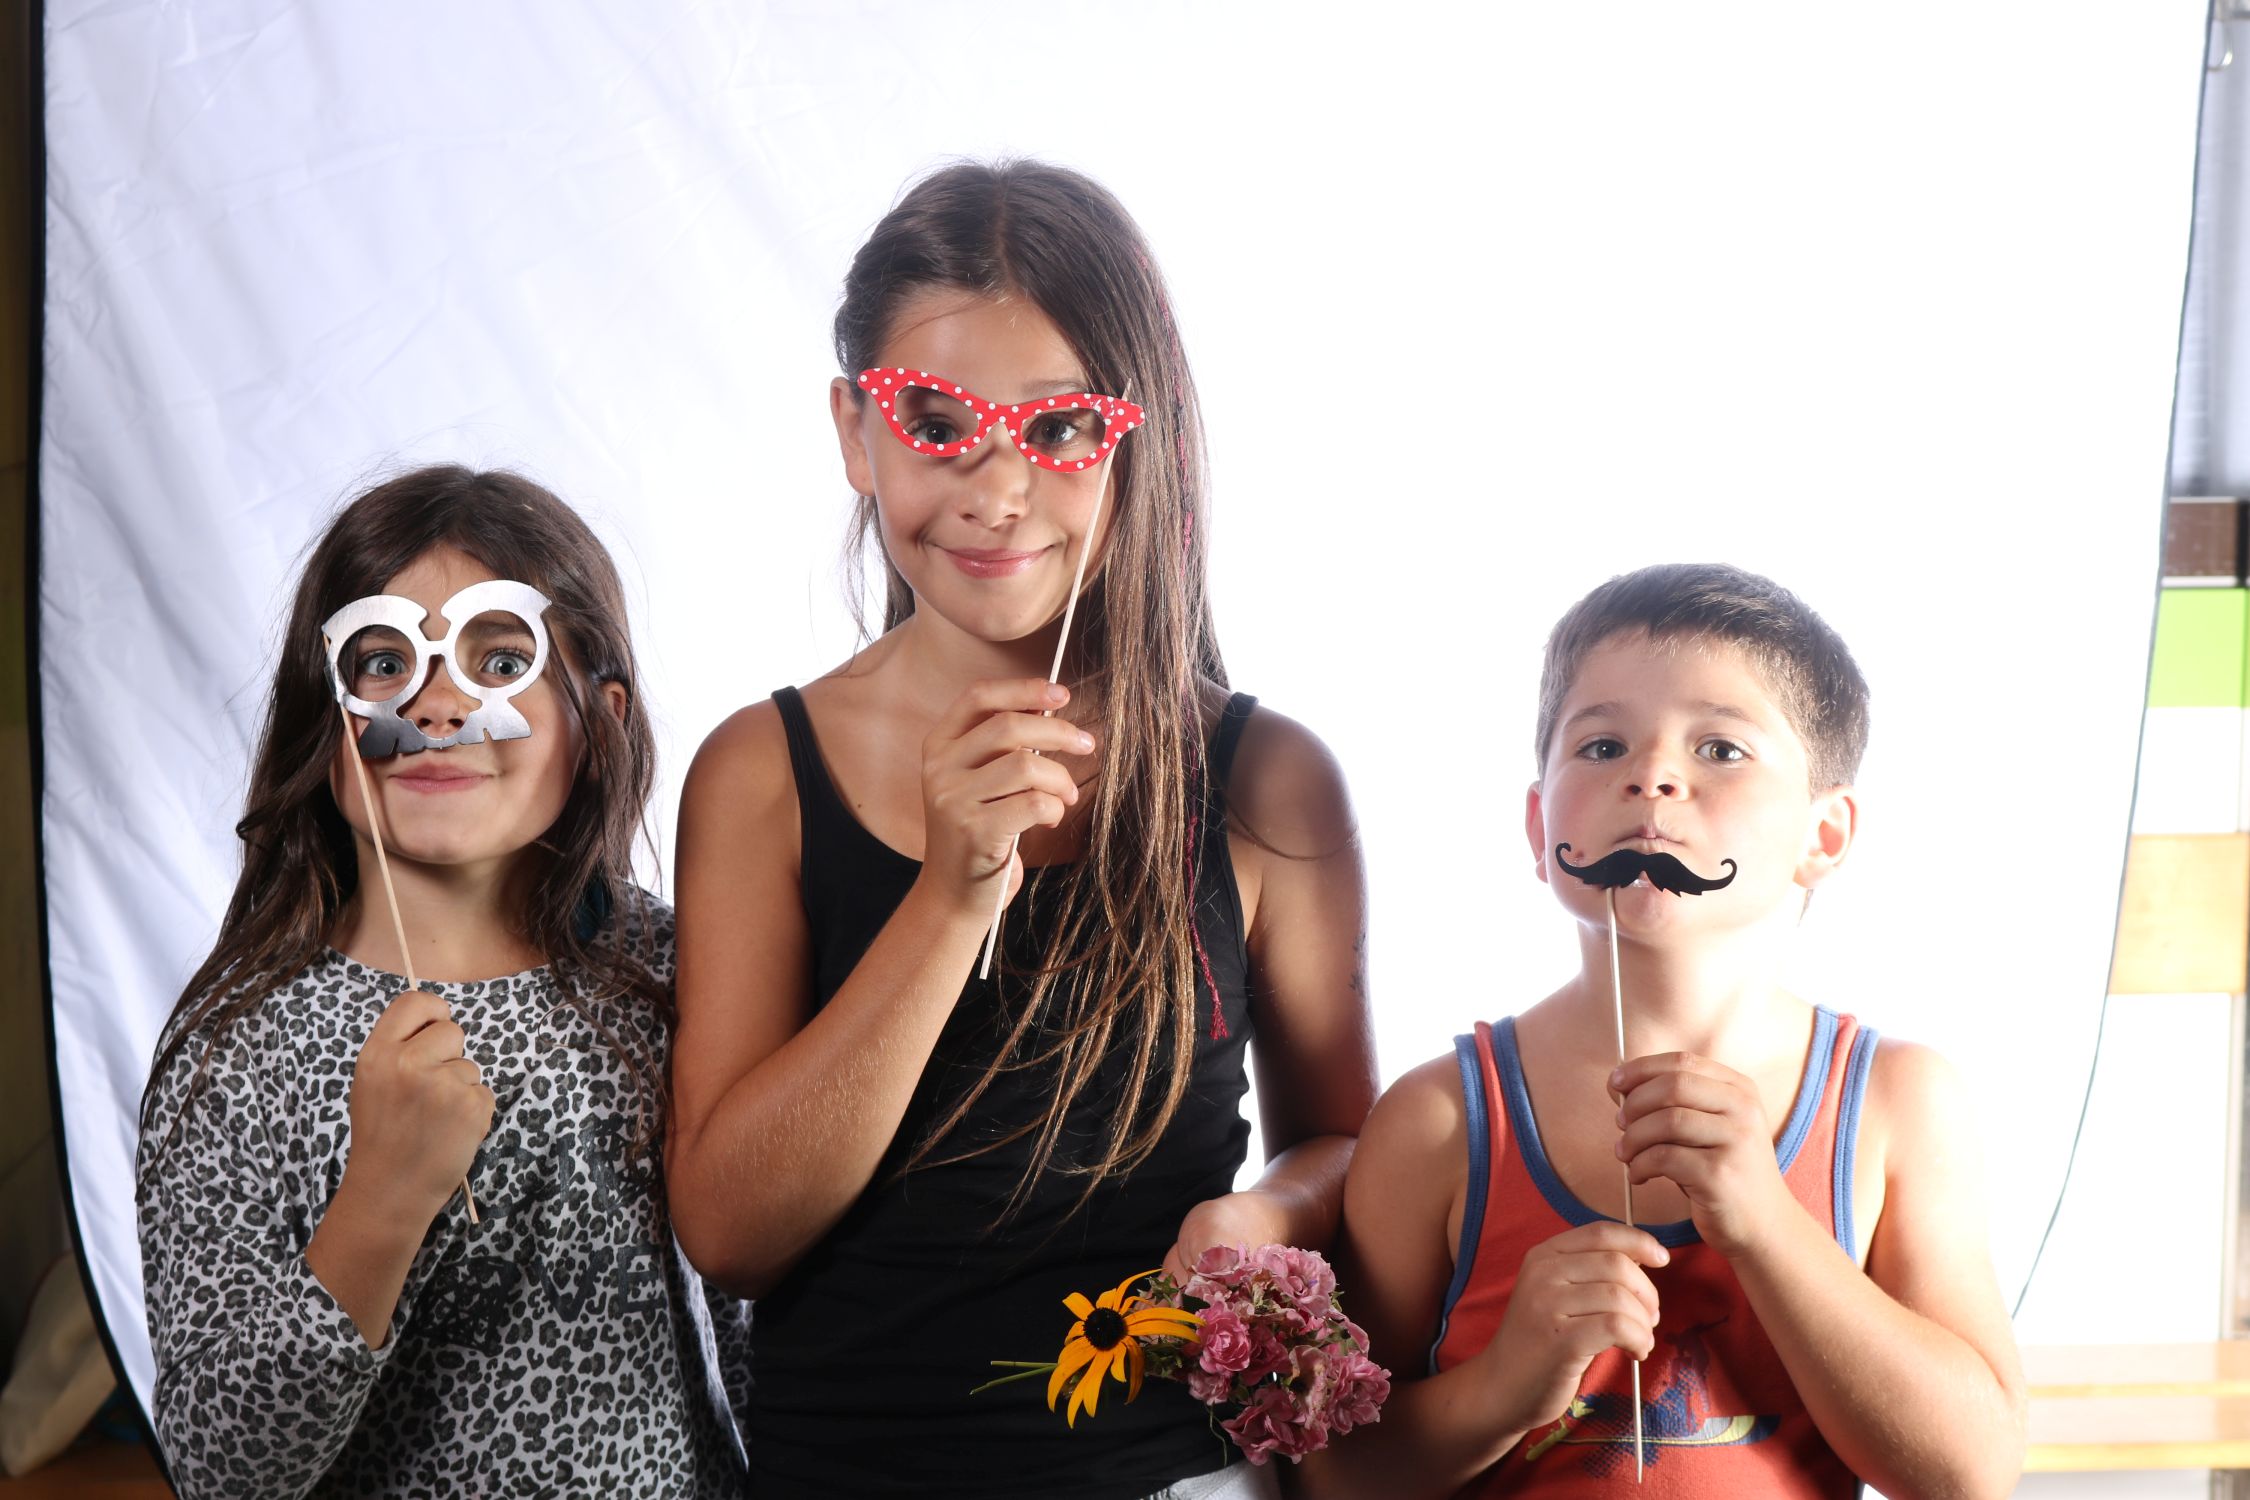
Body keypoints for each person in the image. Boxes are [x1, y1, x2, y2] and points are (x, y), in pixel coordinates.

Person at [666, 159, 1379, 1500]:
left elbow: (1345, 1147)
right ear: (854, 432)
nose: (997, 494)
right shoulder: (761, 773)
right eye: (936, 422)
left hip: (1170, 1478)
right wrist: (950, 896)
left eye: (1059, 428)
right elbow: (732, 1234)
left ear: (1138, 441)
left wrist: (1266, 1209)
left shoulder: (1266, 779)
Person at [1306, 564, 2024, 1498]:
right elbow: (1330, 1477)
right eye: (1602, 746)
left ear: (1825, 835)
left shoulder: (1898, 1104)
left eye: (1721, 748)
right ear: (1539, 824)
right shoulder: (1438, 1120)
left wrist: (1766, 1222)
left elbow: (1972, 1473)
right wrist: (1504, 1386)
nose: (1651, 776)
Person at [136, 465, 749, 1499]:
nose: (438, 703)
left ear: (597, 720)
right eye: (384, 661)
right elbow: (220, 1469)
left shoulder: (672, 970)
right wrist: (381, 1198)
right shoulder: (240, 1044)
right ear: (325, 717)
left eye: (501, 659)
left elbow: (766, 1317)